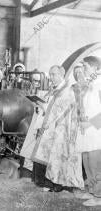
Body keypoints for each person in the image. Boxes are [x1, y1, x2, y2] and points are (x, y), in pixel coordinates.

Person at [21, 65, 83, 192]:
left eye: (54, 74)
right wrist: (39, 106)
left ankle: (56, 184)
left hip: (60, 128)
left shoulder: (68, 90)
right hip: (49, 125)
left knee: (55, 156)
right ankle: (46, 182)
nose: (51, 78)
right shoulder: (54, 89)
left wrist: (45, 108)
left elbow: (59, 109)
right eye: (50, 75)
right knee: (44, 154)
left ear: (62, 74)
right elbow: (49, 104)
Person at [74, 56, 101, 206]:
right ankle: (91, 190)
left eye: (86, 66)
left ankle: (99, 196)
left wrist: (90, 124)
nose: (83, 69)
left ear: (96, 69)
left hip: (96, 130)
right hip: (86, 129)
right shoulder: (89, 85)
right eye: (83, 66)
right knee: (87, 160)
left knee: (96, 163)